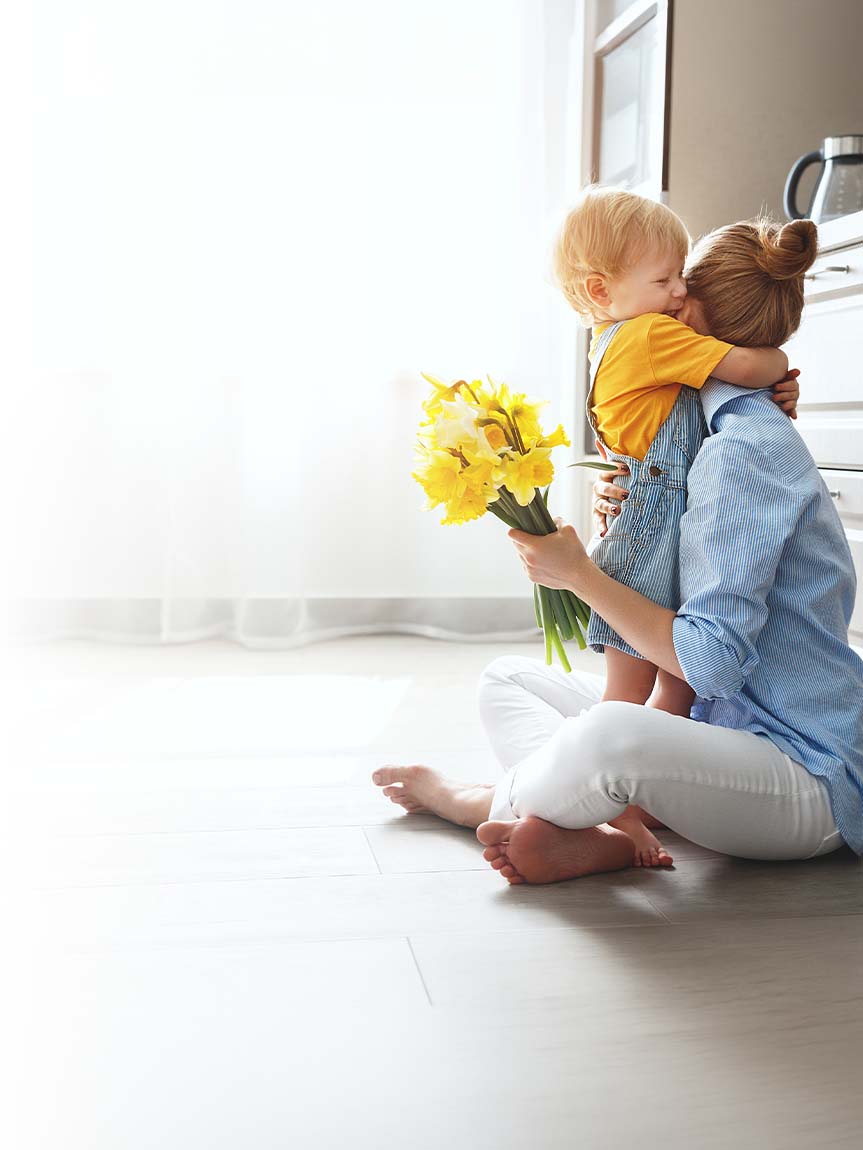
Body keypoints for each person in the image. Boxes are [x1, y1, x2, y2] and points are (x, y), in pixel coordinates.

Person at [372, 216, 863, 883]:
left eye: (673, 282)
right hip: (719, 732)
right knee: (510, 680)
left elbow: (709, 666)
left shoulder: (743, 450)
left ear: (685, 313)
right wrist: (632, 495)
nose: (660, 298)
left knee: (607, 734)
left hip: (801, 767)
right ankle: (597, 824)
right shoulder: (699, 432)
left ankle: (474, 802)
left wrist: (578, 574)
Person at [548, 187, 800, 864]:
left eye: (682, 275)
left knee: (662, 688)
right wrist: (777, 362)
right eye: (663, 279)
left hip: (650, 518)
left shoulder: (609, 341)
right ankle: (601, 808)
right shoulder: (650, 333)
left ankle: (618, 806)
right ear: (602, 291)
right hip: (652, 526)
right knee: (638, 692)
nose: (677, 290)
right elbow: (744, 363)